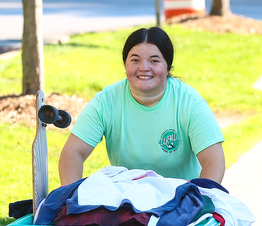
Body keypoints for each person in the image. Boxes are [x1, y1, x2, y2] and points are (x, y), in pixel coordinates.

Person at [57, 26, 226, 186]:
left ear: (167, 66)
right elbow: (73, 152)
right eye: (135, 60)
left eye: (154, 61)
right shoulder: (106, 101)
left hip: (180, 201)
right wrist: (69, 199)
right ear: (125, 65)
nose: (144, 68)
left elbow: (214, 160)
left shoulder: (189, 102)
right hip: (126, 201)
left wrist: (198, 200)